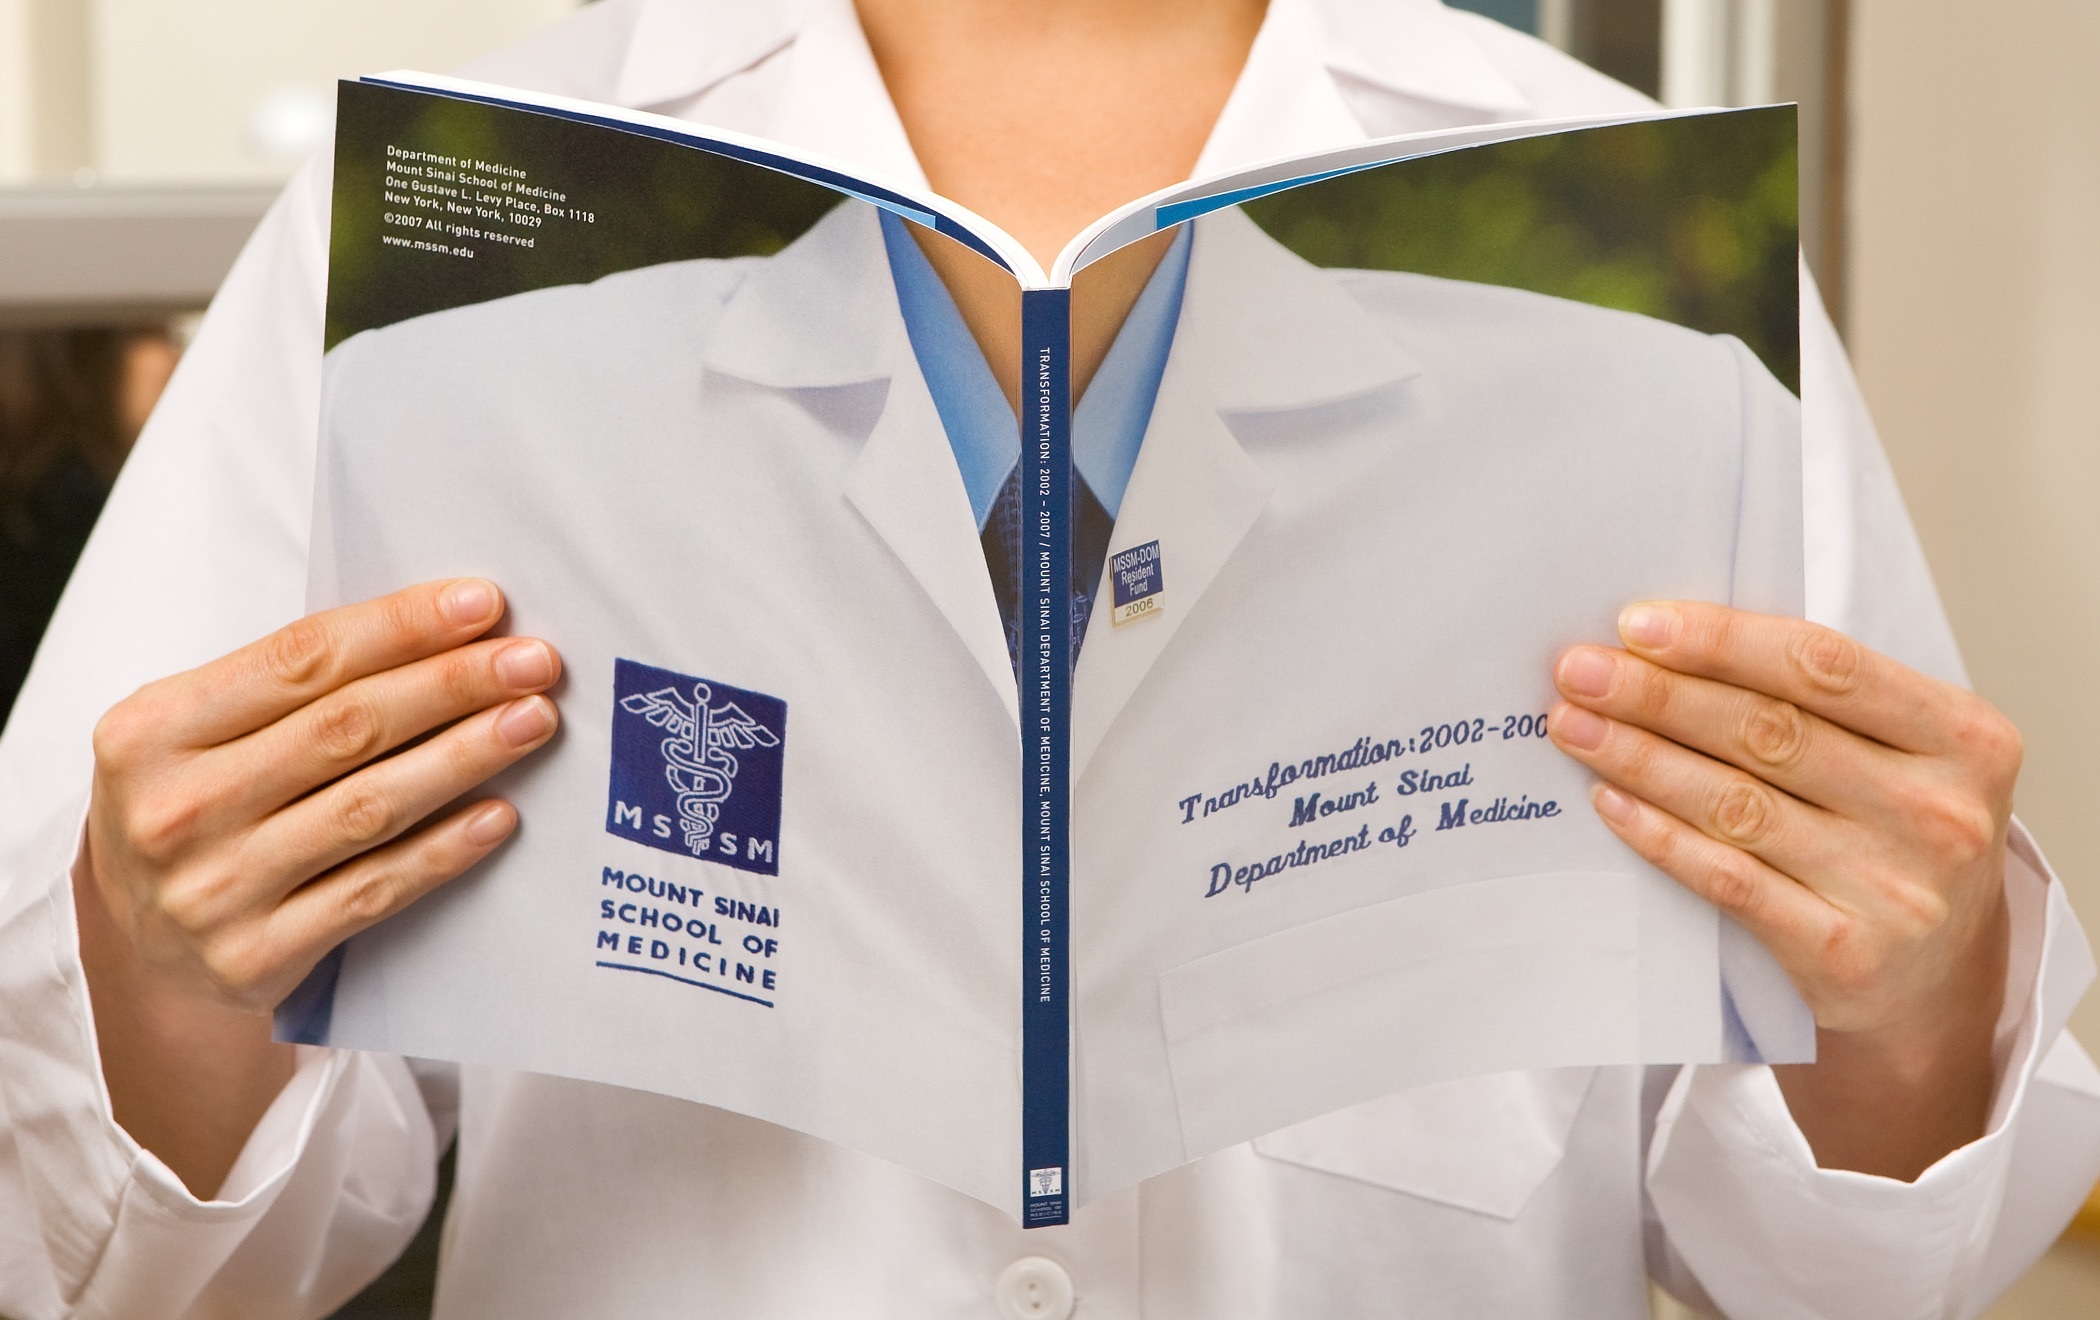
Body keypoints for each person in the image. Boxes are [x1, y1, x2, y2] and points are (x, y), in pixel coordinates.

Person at [0, 0, 2094, 1316]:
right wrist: (169, 977)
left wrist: (1909, 1016)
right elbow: (154, 1259)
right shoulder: (444, 244)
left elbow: (1834, 1274)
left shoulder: (1647, 282)